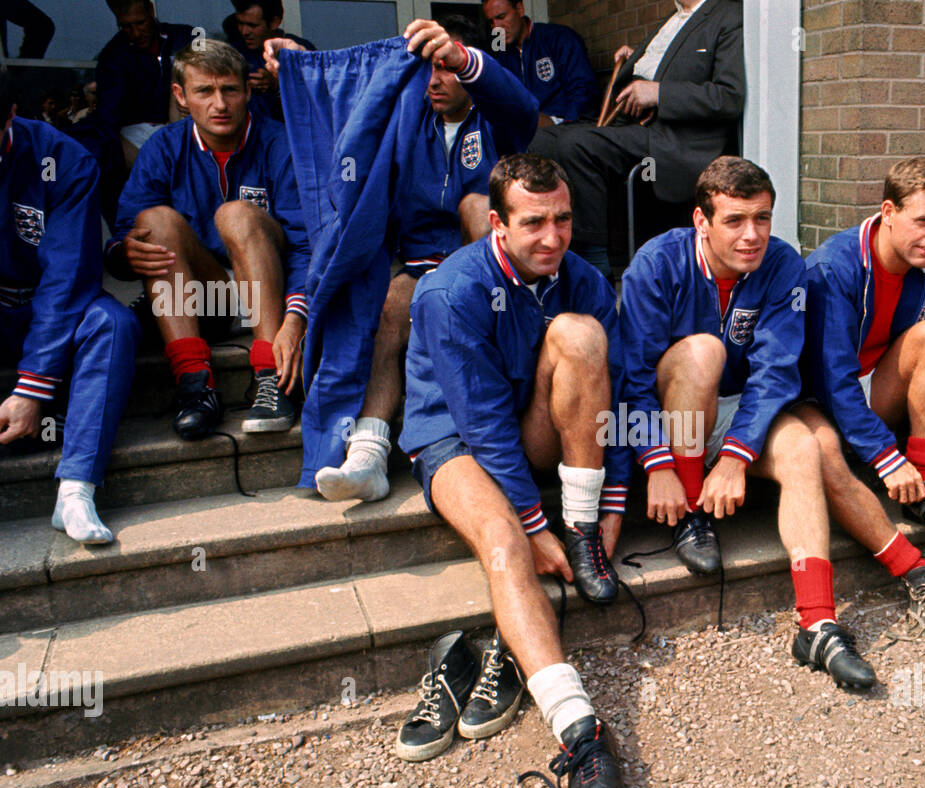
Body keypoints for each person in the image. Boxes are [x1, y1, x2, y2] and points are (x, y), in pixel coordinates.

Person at [394, 154, 628, 788]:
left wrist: (611, 501)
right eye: (533, 223)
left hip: (533, 423)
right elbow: (482, 422)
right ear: (497, 223)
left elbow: (626, 383)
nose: (552, 237)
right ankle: (579, 728)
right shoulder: (450, 290)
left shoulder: (580, 275)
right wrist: (530, 521)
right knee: (501, 541)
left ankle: (581, 529)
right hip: (453, 438)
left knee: (582, 335)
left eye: (562, 219)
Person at [620, 156, 877, 691]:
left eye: (762, 218)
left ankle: (818, 622)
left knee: (805, 447)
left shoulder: (783, 265)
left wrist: (737, 453)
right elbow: (632, 377)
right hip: (677, 415)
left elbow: (776, 370)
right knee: (702, 353)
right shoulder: (656, 263)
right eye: (735, 220)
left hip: (742, 412)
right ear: (701, 220)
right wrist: (657, 463)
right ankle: (693, 511)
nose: (752, 234)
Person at [298, 15, 539, 503]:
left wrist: (466, 59)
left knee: (477, 203)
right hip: (422, 267)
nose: (436, 79)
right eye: (430, 67)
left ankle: (489, 434)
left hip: (490, 273)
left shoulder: (496, 121)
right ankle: (367, 453)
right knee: (389, 306)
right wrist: (295, 63)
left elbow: (523, 107)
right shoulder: (405, 123)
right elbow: (343, 99)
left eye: (447, 68)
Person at [799, 156, 925, 640]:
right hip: (819, 401)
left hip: (875, 390)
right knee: (821, 447)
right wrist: (886, 457)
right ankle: (906, 570)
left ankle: (923, 488)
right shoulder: (833, 266)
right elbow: (832, 380)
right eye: (922, 221)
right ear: (888, 211)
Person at [106, 39, 309, 440]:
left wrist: (297, 315)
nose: (220, 104)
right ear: (182, 96)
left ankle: (271, 379)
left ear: (248, 91)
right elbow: (121, 239)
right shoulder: (163, 147)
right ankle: (196, 385)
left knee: (234, 213)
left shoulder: (281, 144)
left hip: (273, 294)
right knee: (155, 221)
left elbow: (307, 242)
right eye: (204, 91)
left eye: (230, 89)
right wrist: (126, 253)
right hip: (209, 302)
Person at [0, 77, 139, 545]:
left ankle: (76, 489)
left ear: (11, 113)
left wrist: (31, 387)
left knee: (113, 323)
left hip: (46, 300)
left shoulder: (60, 158)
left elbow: (68, 274)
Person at [530, 0, 743, 275]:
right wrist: (636, 62)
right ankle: (548, 244)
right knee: (541, 139)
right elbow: (671, 67)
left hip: (676, 139)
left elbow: (729, 97)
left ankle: (595, 266)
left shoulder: (728, 14)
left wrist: (658, 93)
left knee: (577, 146)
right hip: (635, 126)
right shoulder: (675, 18)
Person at [95, 0, 194, 166]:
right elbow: (109, 115)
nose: (135, 33)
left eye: (140, 23)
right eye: (125, 26)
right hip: (137, 138)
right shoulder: (113, 56)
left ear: (151, 12)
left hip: (189, 127)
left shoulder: (185, 37)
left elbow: (214, 77)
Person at [481, 0, 596, 128]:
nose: (497, 27)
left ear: (519, 9)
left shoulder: (559, 38)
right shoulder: (502, 55)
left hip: (563, 126)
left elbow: (583, 90)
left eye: (501, 17)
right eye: (491, 22)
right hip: (524, 132)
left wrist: (568, 128)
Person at [221, 0, 314, 122]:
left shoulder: (299, 50)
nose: (244, 32)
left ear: (274, 22)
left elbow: (316, 101)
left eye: (252, 25)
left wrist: (277, 85)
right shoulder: (232, 53)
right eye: (240, 24)